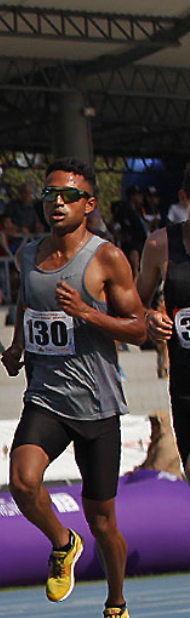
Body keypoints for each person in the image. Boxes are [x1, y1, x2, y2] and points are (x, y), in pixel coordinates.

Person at [0, 157, 145, 618]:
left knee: (103, 521)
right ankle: (63, 543)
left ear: (89, 204)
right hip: (45, 396)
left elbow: (140, 327)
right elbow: (28, 303)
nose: (56, 203)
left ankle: (117, 600)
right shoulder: (27, 255)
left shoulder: (107, 258)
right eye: (49, 195)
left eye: (67, 196)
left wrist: (88, 312)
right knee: (23, 482)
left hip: (97, 404)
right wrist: (20, 345)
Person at [137, 163, 190, 472]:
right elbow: (132, 306)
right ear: (184, 198)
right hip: (186, 386)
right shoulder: (160, 245)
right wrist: (149, 318)